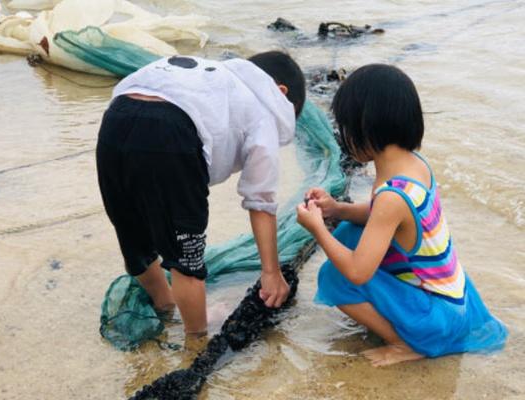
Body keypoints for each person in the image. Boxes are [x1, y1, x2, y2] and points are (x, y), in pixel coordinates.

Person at [296, 64, 507, 366]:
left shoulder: (392, 196)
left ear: (364, 128)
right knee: (348, 233)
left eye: (345, 128)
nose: (343, 137)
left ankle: (404, 344)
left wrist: (318, 228)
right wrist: (337, 209)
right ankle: (398, 319)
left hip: (438, 318)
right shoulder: (412, 165)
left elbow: (357, 272)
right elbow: (386, 217)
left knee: (333, 276)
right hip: (453, 297)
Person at [96, 51, 306, 338]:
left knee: (131, 232)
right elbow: (261, 201)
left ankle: (165, 305)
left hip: (115, 121)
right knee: (187, 259)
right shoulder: (264, 106)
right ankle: (197, 336)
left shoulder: (215, 77)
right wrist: (271, 273)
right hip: (171, 133)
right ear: (281, 92)